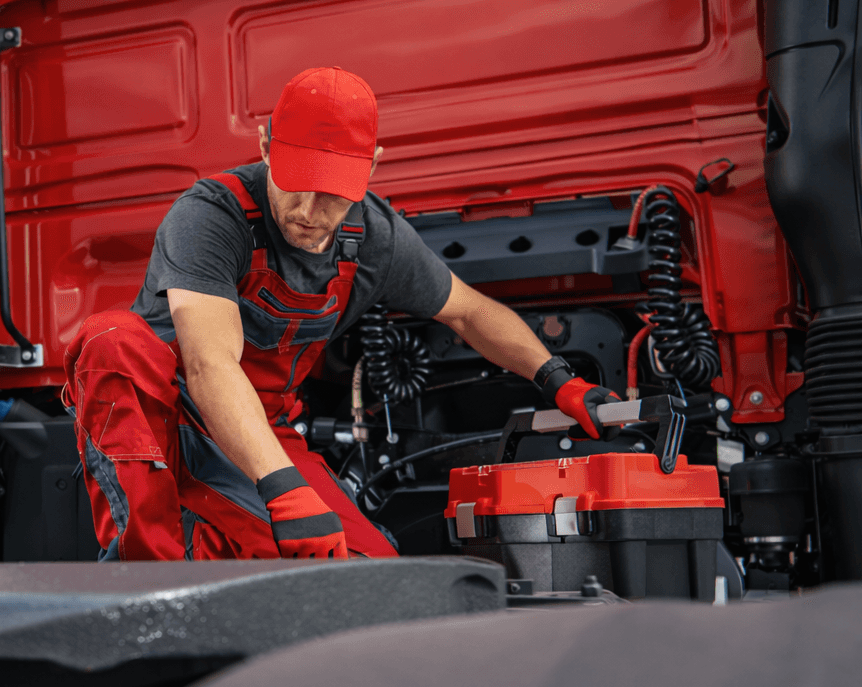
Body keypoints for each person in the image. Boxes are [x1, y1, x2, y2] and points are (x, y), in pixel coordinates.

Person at [65, 67, 616, 561]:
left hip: (263, 431)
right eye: (296, 183)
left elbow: (470, 313)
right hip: (168, 420)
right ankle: (147, 587)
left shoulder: (375, 238)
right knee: (112, 339)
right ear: (264, 145)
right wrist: (283, 490)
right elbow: (210, 365)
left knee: (367, 578)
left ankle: (217, 553)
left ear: (371, 166)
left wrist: (560, 380)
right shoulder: (211, 216)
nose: (309, 212)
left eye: (332, 193)